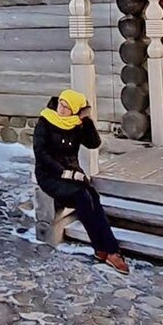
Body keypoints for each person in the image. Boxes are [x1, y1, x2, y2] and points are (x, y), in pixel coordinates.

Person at [33, 88, 129, 274]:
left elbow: (94, 143)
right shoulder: (45, 121)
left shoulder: (76, 124)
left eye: (67, 107)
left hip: (73, 173)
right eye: (61, 104)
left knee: (93, 197)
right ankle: (106, 249)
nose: (61, 109)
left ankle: (108, 250)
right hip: (49, 174)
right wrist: (64, 174)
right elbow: (41, 154)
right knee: (82, 197)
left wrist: (86, 120)